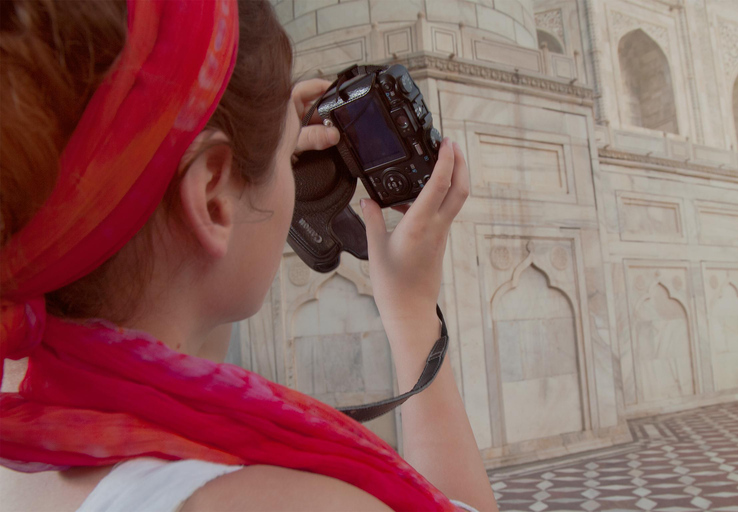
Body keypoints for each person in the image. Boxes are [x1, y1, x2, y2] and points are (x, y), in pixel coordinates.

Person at [0, 0, 498, 510]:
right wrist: (413, 316)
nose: (292, 181)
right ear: (213, 194)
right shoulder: (277, 502)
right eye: (287, 157)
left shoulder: (26, 443)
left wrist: (258, 162)